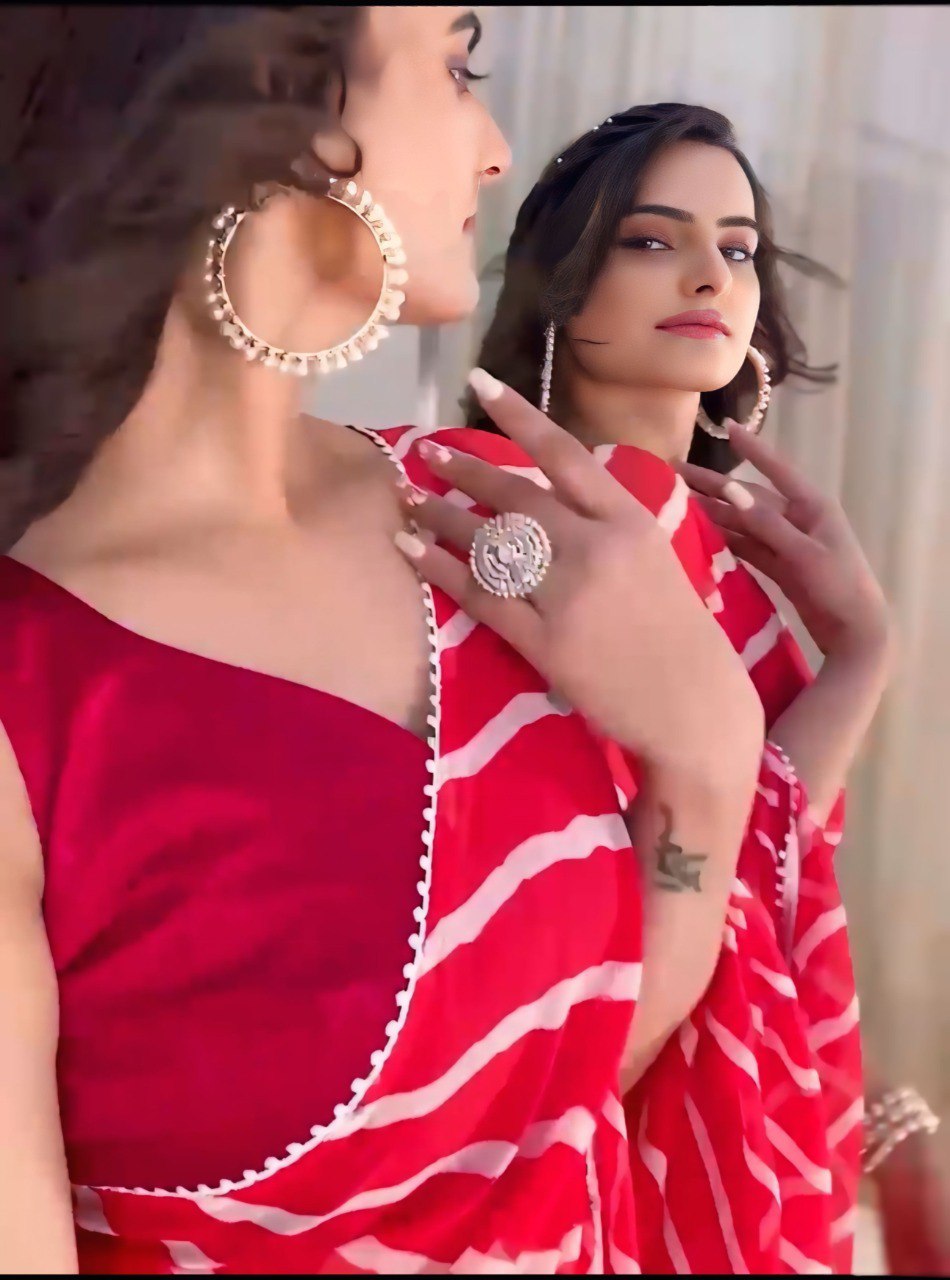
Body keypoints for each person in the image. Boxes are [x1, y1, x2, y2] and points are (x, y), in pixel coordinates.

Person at [0, 8, 884, 1275]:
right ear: (286, 90)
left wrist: (709, 752)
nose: (493, 143)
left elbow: (568, 1081)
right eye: (457, 66)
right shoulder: (33, 703)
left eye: (735, 250)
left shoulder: (507, 520)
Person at [459, 102, 904, 1272]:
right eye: (651, 240)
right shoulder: (509, 520)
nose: (709, 272)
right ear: (560, 285)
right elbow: (578, 899)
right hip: (580, 1119)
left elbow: (758, 853)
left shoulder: (733, 566)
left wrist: (860, 647)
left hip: (740, 1095)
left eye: (738, 246)